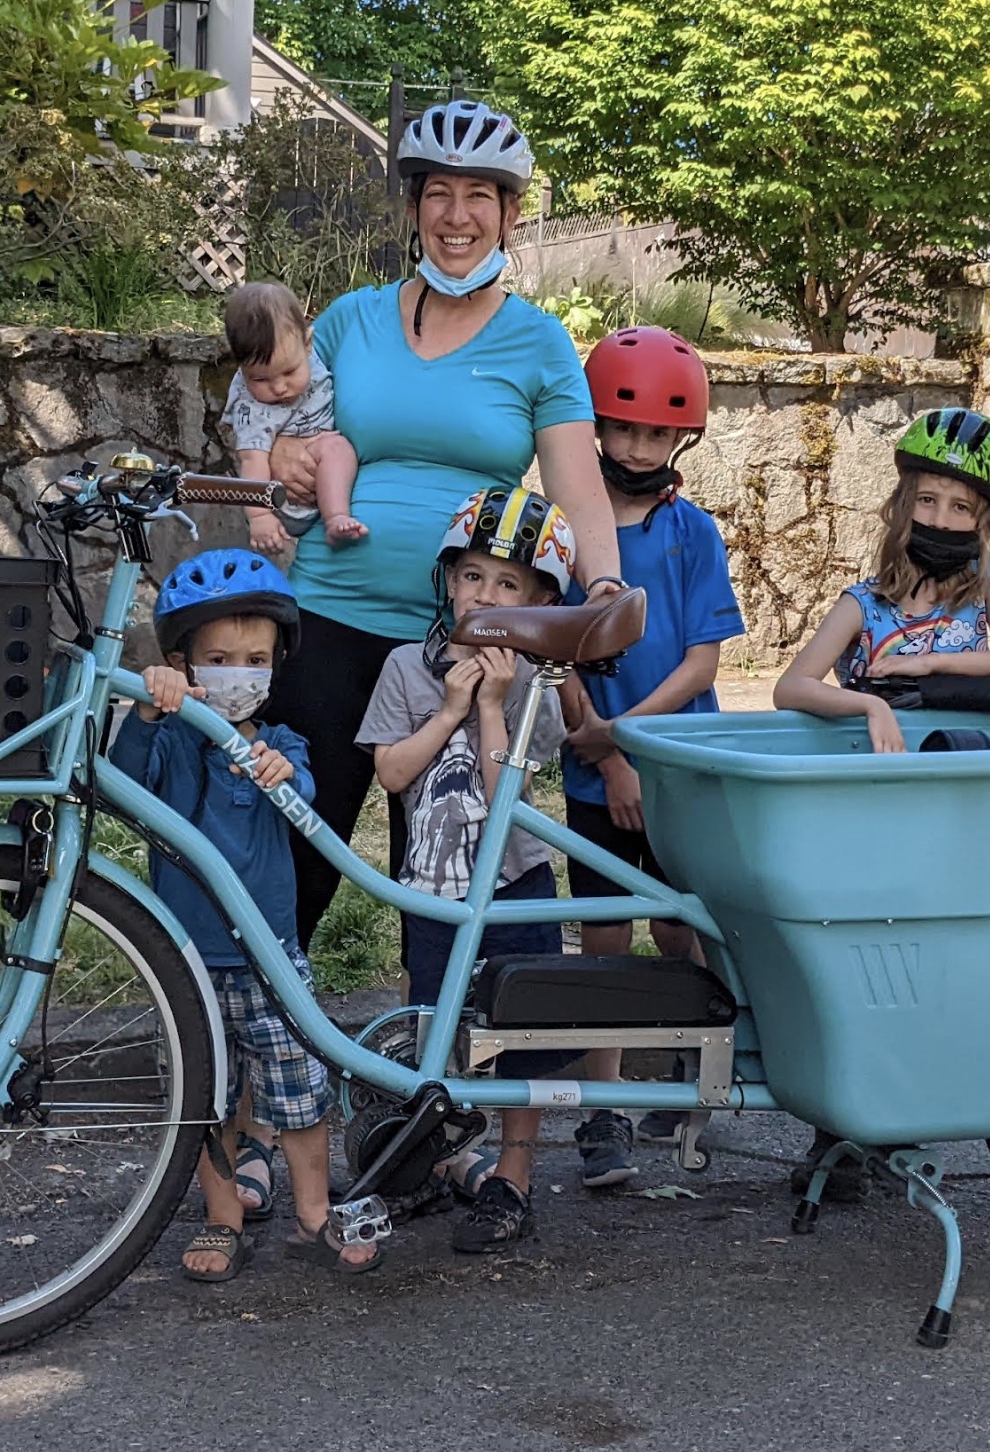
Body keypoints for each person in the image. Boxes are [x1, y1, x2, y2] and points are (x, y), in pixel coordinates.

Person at [256, 99, 623, 972]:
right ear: (415, 204)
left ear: (510, 211)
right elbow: (274, 416)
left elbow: (580, 491)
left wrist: (602, 589)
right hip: (326, 615)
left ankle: (435, 1072)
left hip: (459, 644)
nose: (458, 217)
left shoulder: (539, 344)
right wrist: (281, 453)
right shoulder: (348, 320)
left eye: (481, 196)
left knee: (448, 872)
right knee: (293, 850)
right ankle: (261, 1063)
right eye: (439, 193)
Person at [772, 408, 990, 1197]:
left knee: (942, 963)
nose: (941, 519)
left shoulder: (982, 594)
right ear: (901, 507)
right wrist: (869, 705)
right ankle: (843, 1130)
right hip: (878, 810)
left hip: (957, 811)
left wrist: (943, 673)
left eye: (962, 508)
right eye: (927, 501)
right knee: (865, 967)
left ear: (984, 522)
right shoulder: (866, 602)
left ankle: (916, 1116)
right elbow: (795, 683)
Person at [110, 549, 379, 1279]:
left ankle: (315, 1212)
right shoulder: (166, 739)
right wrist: (145, 704)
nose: (239, 672)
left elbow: (309, 806)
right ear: (182, 661)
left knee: (298, 1091)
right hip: (187, 961)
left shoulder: (280, 742)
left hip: (271, 958)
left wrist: (285, 775)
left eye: (255, 658)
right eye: (219, 658)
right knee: (205, 1099)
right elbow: (122, 782)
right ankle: (222, 1217)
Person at [356, 486, 573, 1253]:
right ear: (448, 579)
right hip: (436, 886)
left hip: (514, 880)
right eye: (473, 576)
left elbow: (502, 798)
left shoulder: (540, 687)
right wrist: (449, 708)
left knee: (525, 1031)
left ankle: (513, 1175)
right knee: (433, 1023)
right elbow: (391, 774)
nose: (486, 596)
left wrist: (493, 707)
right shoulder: (404, 669)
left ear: (541, 602)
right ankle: (440, 1158)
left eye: (509, 584)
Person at [557, 327, 744, 1188]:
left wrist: (631, 741)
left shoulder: (692, 535)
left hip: (676, 765)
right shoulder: (568, 535)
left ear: (681, 441)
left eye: (656, 435)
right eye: (622, 430)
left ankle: (696, 1063)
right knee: (603, 937)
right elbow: (560, 656)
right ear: (595, 427)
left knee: (679, 924)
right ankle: (601, 1110)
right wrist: (603, 747)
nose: (637, 448)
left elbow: (702, 661)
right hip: (597, 761)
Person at [217, 282, 365, 551]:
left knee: (336, 447)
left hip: (318, 468)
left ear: (308, 344)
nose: (279, 388)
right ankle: (336, 516)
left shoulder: (311, 353)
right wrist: (260, 516)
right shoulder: (252, 407)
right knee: (335, 447)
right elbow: (252, 461)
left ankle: (337, 517)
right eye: (260, 378)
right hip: (284, 504)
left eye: (288, 372)